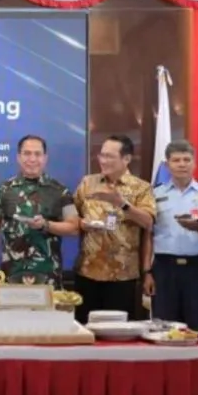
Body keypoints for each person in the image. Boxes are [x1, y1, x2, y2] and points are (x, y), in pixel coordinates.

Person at [145, 140, 198, 335]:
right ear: (167, 165)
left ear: (194, 163)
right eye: (176, 160)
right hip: (164, 269)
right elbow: (147, 235)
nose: (182, 164)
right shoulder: (154, 194)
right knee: (164, 328)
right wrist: (147, 272)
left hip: (197, 269)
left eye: (186, 160)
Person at [73, 135, 156, 323]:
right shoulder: (88, 183)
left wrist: (122, 204)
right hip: (87, 271)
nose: (103, 160)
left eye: (109, 156)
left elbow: (148, 222)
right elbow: (71, 216)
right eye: (101, 155)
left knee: (117, 333)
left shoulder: (141, 188)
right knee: (85, 330)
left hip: (122, 276)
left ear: (126, 159)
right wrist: (81, 224)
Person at [0, 135, 80, 286]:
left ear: (45, 158)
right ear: (18, 157)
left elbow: (74, 227)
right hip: (11, 275)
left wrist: (46, 225)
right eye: (27, 153)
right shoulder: (2, 190)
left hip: (48, 276)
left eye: (37, 154)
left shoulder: (60, 191)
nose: (32, 159)